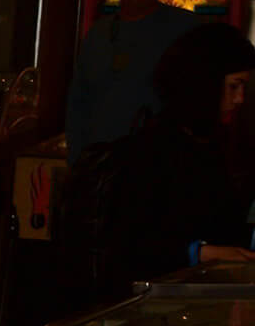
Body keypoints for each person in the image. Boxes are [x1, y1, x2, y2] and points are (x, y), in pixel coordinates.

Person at [67, 23, 255, 295]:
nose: (239, 99)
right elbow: (133, 243)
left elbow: (221, 225)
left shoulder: (207, 144)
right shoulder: (151, 151)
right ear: (204, 84)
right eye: (234, 86)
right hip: (140, 303)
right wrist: (200, 253)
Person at [66, 0, 202, 165]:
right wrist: (77, 160)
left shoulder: (186, 28)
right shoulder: (98, 33)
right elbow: (79, 102)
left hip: (160, 166)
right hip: (103, 162)